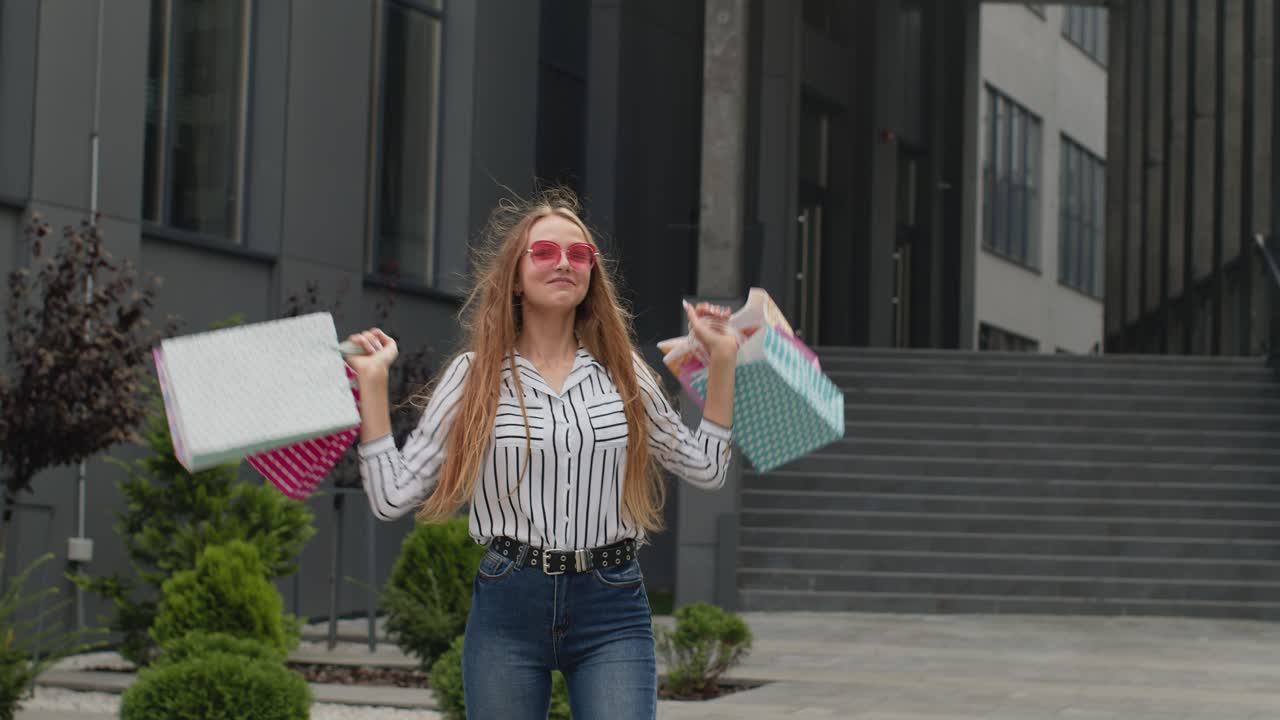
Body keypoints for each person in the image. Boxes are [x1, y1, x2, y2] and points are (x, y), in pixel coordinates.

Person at [345, 189, 738, 719]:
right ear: (515, 275)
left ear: (592, 273)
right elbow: (391, 497)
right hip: (510, 597)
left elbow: (707, 468)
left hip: (612, 601)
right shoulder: (474, 375)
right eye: (545, 252)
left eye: (579, 254)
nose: (564, 263)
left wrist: (722, 362)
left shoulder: (624, 373)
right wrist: (373, 385)